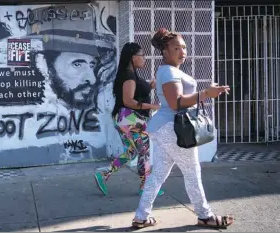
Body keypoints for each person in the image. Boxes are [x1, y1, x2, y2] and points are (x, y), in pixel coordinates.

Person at [131, 28, 234, 229]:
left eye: (184, 47)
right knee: (192, 171)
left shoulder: (170, 70)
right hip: (172, 128)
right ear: (165, 51)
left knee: (158, 174)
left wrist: (206, 91)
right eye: (176, 47)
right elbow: (176, 102)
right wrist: (206, 93)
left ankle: (141, 217)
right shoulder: (169, 71)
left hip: (164, 127)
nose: (182, 51)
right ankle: (205, 215)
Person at [94, 42, 164, 196]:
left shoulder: (130, 74)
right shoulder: (129, 76)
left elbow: (136, 92)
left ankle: (104, 174)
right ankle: (145, 185)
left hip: (125, 118)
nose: (144, 58)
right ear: (133, 57)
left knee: (132, 152)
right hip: (130, 118)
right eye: (142, 55)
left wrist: (150, 86)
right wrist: (153, 106)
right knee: (144, 151)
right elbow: (129, 101)